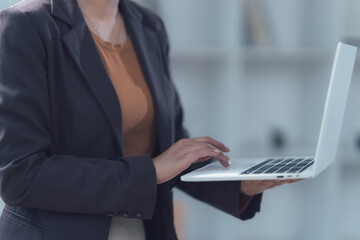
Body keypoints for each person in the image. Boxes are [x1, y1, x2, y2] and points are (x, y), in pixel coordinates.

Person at [0, 0, 298, 239]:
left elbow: (167, 150)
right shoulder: (25, 26)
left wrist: (240, 185)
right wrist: (150, 172)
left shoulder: (148, 27)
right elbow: (20, 174)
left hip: (143, 227)